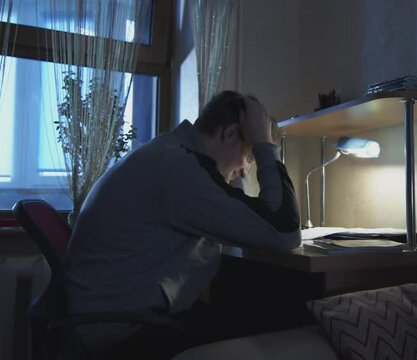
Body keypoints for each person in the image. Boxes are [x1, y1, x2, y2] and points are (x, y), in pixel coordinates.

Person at [64, 91, 301, 358]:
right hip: (122, 330)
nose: (245, 168)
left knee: (248, 307)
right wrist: (263, 143)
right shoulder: (181, 170)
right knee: (274, 323)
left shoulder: (172, 153)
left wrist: (235, 173)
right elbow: (285, 232)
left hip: (112, 314)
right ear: (230, 134)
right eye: (249, 157)